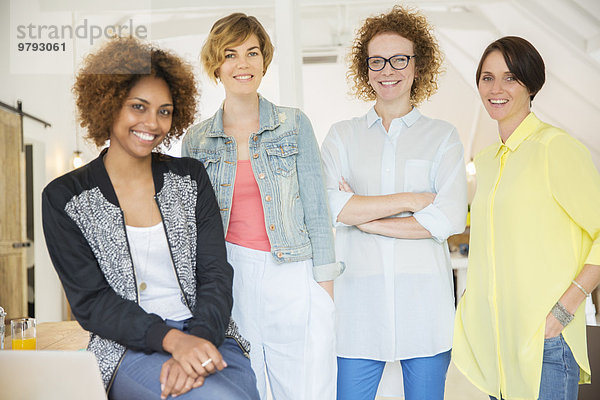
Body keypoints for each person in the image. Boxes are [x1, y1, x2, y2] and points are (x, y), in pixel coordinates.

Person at [42, 37, 259, 400]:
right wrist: (174, 342)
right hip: (128, 348)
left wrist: (196, 343)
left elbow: (216, 275)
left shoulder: (190, 179)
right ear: (108, 105)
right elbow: (92, 302)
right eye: (138, 107)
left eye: (164, 110)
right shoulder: (66, 197)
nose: (152, 123)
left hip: (208, 333)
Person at [182, 13, 343, 400]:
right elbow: (191, 226)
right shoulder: (196, 141)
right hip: (228, 276)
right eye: (231, 54)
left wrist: (324, 290)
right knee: (240, 385)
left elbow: (318, 211)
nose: (243, 64)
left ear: (264, 61)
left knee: (305, 388)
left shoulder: (294, 125)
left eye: (252, 53)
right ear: (216, 65)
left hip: (292, 269)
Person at [321, 6, 467, 400]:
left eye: (399, 59)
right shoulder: (341, 136)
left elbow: (449, 216)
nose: (388, 70)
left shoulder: (443, 137)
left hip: (425, 308)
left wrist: (365, 218)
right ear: (365, 69)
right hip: (357, 308)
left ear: (418, 65)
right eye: (378, 61)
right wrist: (411, 200)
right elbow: (329, 206)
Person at [452, 36, 600, 400]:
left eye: (510, 78)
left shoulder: (556, 147)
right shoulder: (485, 161)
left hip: (545, 342)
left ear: (531, 85)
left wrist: (563, 311)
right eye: (487, 78)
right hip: (498, 342)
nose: (496, 89)